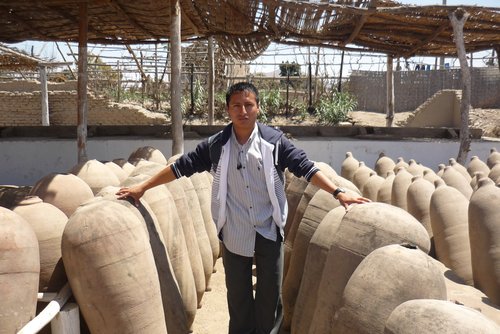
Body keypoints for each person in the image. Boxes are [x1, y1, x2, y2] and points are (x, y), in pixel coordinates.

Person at [116, 82, 370, 334]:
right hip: (235, 231)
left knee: (270, 296)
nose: (243, 111)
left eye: (248, 105)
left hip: (269, 228)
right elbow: (181, 167)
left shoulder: (274, 142)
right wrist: (143, 187)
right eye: (236, 105)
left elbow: (305, 167)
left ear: (258, 108)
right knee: (238, 297)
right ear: (228, 110)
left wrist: (338, 192)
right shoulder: (217, 145)